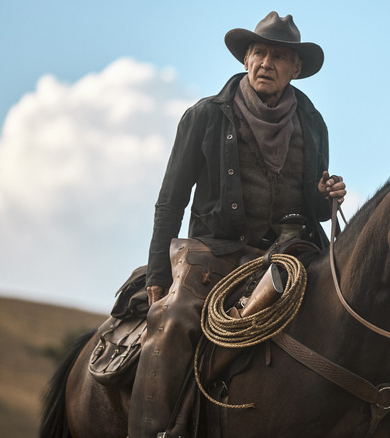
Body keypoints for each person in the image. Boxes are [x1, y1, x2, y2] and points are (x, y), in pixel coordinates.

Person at [129, 12, 346, 438]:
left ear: (295, 69)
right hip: (216, 253)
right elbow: (171, 201)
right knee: (173, 321)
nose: (267, 62)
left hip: (291, 253)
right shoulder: (206, 116)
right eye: (260, 52)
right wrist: (158, 272)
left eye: (279, 56)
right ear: (246, 58)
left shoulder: (313, 123)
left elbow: (314, 206)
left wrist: (326, 195)